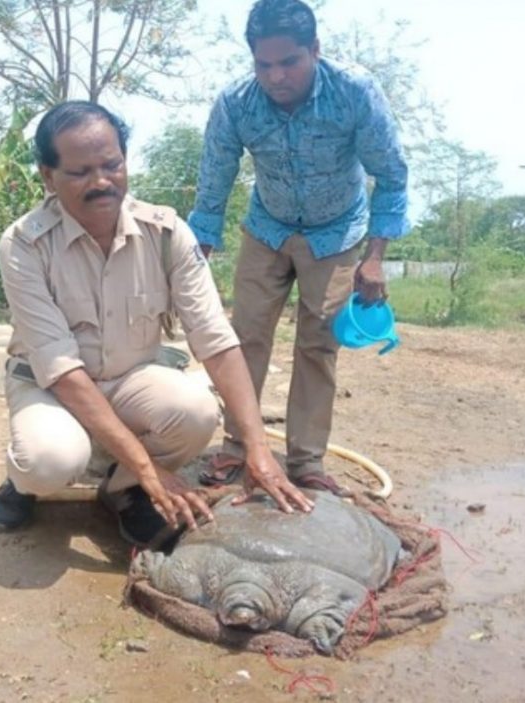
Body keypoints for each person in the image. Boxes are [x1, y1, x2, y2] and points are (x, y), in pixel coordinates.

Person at [0, 100, 313, 546]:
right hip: (50, 387)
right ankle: (23, 484)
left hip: (129, 380)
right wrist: (148, 463)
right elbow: (60, 370)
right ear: (48, 175)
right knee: (50, 461)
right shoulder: (25, 244)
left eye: (112, 165)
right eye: (81, 172)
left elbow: (215, 340)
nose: (101, 183)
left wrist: (257, 448)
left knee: (197, 411)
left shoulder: (165, 233)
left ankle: (123, 492)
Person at [188, 0, 410, 494]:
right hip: (266, 227)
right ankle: (237, 446)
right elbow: (214, 179)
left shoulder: (354, 92)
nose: (276, 77)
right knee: (243, 339)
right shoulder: (235, 103)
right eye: (263, 65)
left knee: (317, 344)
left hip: (336, 233)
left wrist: (374, 258)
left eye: (288, 62)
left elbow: (391, 176)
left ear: (314, 49)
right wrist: (198, 249)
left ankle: (306, 460)